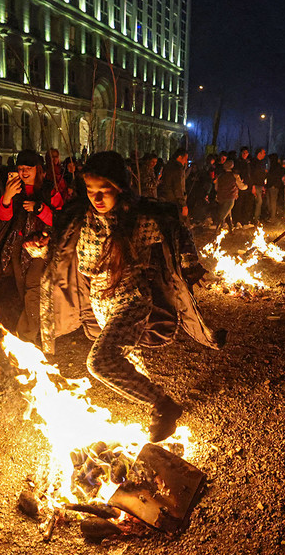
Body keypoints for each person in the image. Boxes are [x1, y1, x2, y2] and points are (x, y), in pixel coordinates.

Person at [40, 151, 224, 442]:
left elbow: (176, 227)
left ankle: (164, 406)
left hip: (131, 298)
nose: (97, 199)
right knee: (130, 362)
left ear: (121, 189)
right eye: (91, 191)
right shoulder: (79, 218)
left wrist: (189, 262)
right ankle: (159, 411)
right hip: (100, 304)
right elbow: (58, 249)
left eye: (105, 191)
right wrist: (39, 249)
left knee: (100, 361)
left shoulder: (138, 219)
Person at [0, 150, 65, 341]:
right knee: (24, 288)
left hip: (43, 248)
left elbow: (60, 219)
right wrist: (7, 196)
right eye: (20, 168)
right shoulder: (16, 190)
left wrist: (40, 209)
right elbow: (3, 217)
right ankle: (36, 327)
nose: (23, 172)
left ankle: (26, 335)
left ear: (37, 169)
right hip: (19, 246)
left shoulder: (49, 190)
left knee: (33, 287)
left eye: (28, 168)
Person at [213, 159, 247, 233]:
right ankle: (216, 232)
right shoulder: (235, 176)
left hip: (221, 198)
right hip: (230, 198)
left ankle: (231, 229)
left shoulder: (220, 176)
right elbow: (241, 186)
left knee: (228, 213)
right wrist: (247, 186)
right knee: (222, 216)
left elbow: (216, 187)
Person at [157, 148, 188, 217]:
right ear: (180, 157)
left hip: (164, 197)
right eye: (185, 158)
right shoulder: (177, 169)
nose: (186, 161)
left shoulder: (168, 165)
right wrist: (183, 204)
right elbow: (178, 187)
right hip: (173, 200)